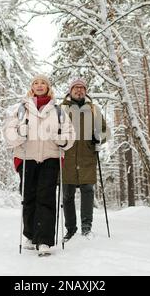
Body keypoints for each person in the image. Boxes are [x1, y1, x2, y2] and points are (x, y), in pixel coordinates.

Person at [2, 74, 75, 256]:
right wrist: (20, 133)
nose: (40, 85)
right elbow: (8, 133)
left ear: (48, 87)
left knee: (46, 197)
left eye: (43, 83)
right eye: (36, 83)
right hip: (26, 158)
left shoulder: (58, 111)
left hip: (50, 157)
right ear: (32, 87)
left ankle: (44, 241)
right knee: (29, 197)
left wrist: (62, 140)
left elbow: (70, 134)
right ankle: (29, 234)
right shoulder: (21, 109)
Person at [61, 77, 107, 241]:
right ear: (70, 91)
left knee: (88, 191)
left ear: (85, 91)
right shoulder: (62, 109)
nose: (79, 90)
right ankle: (70, 229)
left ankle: (86, 228)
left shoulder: (93, 110)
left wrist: (98, 138)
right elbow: (53, 130)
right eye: (76, 88)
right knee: (67, 195)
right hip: (67, 158)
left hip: (87, 157)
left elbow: (104, 131)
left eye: (82, 88)